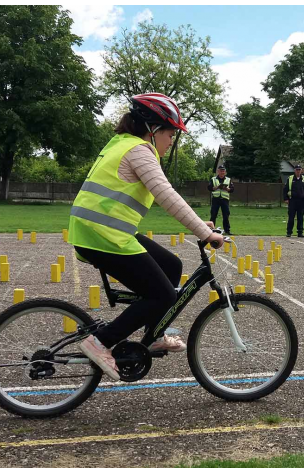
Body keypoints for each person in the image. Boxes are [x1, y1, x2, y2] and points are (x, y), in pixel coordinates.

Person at [68, 93, 224, 381]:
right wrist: (205, 233)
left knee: (172, 267)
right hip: (103, 235)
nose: (171, 140)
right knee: (162, 293)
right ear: (153, 129)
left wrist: (200, 223)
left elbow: (161, 196)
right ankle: (100, 342)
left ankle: (154, 334)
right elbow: (167, 195)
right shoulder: (139, 150)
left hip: (105, 231)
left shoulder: (122, 143)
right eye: (170, 133)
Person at [283, 164, 304, 238]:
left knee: (300, 217)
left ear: (301, 170)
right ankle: (289, 232)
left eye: (299, 170)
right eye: (297, 170)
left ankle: (300, 232)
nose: (298, 171)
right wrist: (286, 198)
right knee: (291, 217)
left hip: (301, 201)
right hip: (292, 201)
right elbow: (285, 189)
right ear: (294, 170)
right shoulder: (290, 178)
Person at [208, 165, 233, 235]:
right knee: (213, 214)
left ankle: (227, 230)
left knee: (226, 215)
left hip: (224, 199)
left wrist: (227, 189)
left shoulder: (228, 179)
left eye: (223, 171)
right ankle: (210, 230)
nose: (222, 172)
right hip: (216, 199)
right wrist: (216, 187)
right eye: (221, 171)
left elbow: (232, 189)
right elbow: (209, 188)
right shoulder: (213, 179)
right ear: (218, 171)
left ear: (225, 172)